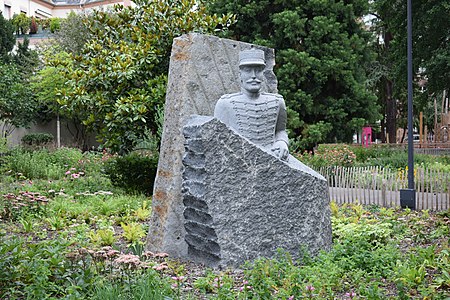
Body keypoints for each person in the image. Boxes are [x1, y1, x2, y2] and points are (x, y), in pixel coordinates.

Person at [214, 48, 289, 161]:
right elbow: (217, 140)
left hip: (272, 160)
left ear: (263, 74)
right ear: (240, 75)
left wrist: (282, 142)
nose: (253, 75)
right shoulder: (225, 104)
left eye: (258, 70)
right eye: (248, 70)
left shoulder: (277, 102)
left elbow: (281, 130)